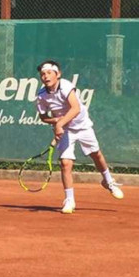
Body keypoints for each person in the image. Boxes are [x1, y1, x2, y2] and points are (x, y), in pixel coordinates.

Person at [36, 60, 123, 214]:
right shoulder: (42, 96)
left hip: (82, 126)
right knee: (65, 163)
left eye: (49, 73)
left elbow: (75, 108)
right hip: (67, 130)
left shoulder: (66, 86)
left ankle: (108, 181)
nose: (45, 76)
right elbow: (43, 117)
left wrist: (59, 124)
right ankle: (69, 200)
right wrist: (55, 121)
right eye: (43, 74)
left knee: (96, 154)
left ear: (58, 74)